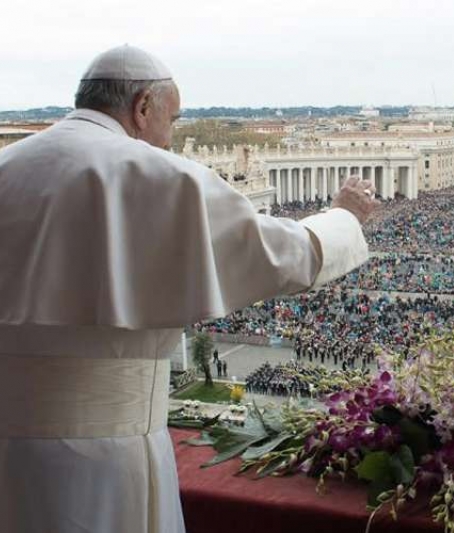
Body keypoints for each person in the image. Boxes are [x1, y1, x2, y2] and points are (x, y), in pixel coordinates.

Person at [0, 45, 378, 533]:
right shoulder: (155, 174)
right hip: (108, 452)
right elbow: (283, 256)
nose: (170, 137)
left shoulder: (8, 167)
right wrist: (344, 216)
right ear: (142, 107)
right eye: (172, 120)